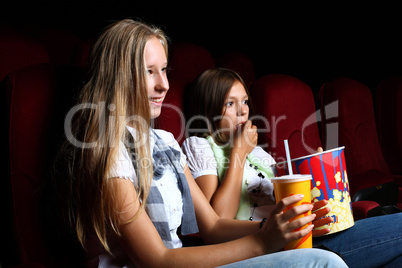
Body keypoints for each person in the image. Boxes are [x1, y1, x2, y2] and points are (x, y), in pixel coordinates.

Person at [53, 19, 348, 268]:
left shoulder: (165, 142)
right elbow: (157, 260)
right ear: (118, 76)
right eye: (148, 71)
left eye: (165, 70)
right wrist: (263, 241)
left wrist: (282, 226)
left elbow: (213, 226)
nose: (164, 84)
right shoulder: (109, 153)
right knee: (324, 262)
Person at [181, 68, 402, 268]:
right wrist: (238, 153)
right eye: (230, 103)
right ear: (209, 108)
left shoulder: (257, 152)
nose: (242, 111)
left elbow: (288, 197)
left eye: (245, 102)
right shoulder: (200, 145)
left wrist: (318, 172)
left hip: (303, 234)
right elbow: (217, 220)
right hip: (267, 246)